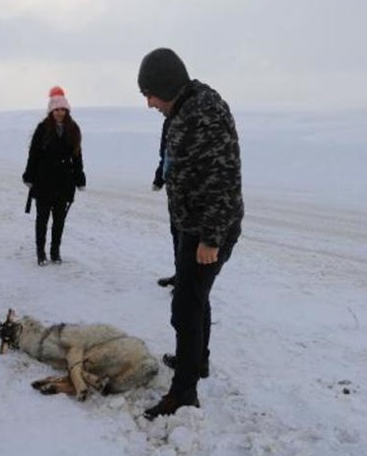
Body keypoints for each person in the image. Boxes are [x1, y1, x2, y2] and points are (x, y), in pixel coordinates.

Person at [137, 48, 244, 420]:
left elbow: (224, 179)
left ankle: (183, 394)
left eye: (150, 93)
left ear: (166, 85)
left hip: (207, 228)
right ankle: (195, 362)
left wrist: (210, 239)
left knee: (185, 307)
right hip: (189, 223)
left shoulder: (205, 112)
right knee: (195, 296)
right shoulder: (183, 108)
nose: (149, 103)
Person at [22, 86, 86, 266]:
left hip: (65, 182)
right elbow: (33, 154)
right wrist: (29, 175)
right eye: (57, 109)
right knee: (42, 219)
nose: (60, 112)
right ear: (51, 110)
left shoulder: (73, 129)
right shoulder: (42, 129)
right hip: (44, 180)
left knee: (59, 220)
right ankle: (40, 252)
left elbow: (77, 156)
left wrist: (79, 178)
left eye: (63, 109)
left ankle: (55, 251)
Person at [152, 117, 178, 289]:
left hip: (190, 188)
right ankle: (180, 274)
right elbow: (165, 152)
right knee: (177, 233)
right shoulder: (169, 120)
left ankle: (186, 282)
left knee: (188, 236)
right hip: (174, 186)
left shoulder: (192, 116)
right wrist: (160, 177)